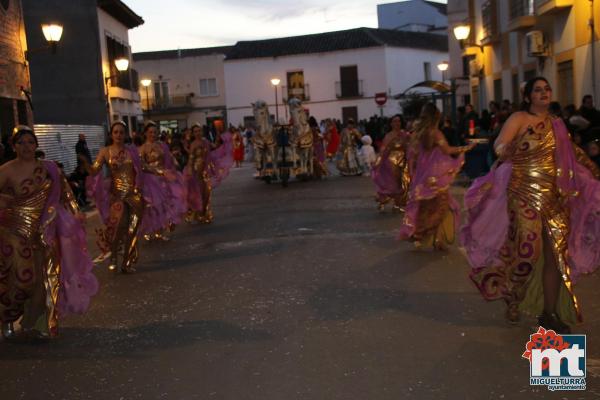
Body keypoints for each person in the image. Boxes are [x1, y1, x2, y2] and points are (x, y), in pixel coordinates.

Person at [461, 77, 600, 333]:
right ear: (528, 96)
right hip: (523, 193)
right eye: (538, 90)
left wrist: (592, 167)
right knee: (527, 253)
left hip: (555, 197)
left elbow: (571, 153)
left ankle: (549, 313)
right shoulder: (519, 119)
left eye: (547, 89)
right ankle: (513, 297)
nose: (544, 93)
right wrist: (506, 149)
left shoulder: (557, 124)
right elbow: (500, 145)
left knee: (556, 257)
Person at [0, 126, 98, 339]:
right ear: (14, 146)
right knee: (18, 278)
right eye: (21, 143)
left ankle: (38, 322)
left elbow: (65, 195)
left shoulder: (49, 169)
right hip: (14, 232)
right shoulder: (6, 170)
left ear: (36, 145)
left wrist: (76, 213)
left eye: (30, 142)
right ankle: (6, 319)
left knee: (42, 278)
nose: (26, 146)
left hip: (44, 229)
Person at [398, 103, 475, 250]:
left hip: (424, 175)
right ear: (436, 116)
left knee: (427, 207)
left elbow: (413, 155)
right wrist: (466, 148)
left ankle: (432, 239)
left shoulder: (420, 133)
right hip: (435, 176)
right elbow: (446, 150)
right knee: (442, 207)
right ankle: (427, 236)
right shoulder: (435, 133)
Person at [83, 121, 145, 273]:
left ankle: (126, 263)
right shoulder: (105, 151)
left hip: (135, 197)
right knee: (118, 228)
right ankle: (114, 257)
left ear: (125, 135)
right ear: (111, 134)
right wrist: (85, 162)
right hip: (117, 197)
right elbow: (94, 171)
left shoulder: (132, 151)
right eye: (115, 132)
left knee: (132, 230)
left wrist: (161, 172)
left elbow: (142, 168)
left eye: (121, 132)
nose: (118, 135)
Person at [138, 121, 187, 241]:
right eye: (150, 132)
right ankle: (150, 230)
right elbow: (141, 165)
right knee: (152, 207)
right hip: (150, 180)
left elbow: (169, 159)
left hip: (164, 178)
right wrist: (154, 172)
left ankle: (161, 230)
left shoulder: (162, 145)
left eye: (155, 132)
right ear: (145, 133)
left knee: (169, 201)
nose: (153, 134)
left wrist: (174, 164)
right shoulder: (142, 148)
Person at [185, 123, 233, 224]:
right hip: (196, 171)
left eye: (199, 131)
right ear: (193, 133)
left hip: (206, 171)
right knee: (200, 194)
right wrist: (189, 171)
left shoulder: (205, 141)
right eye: (195, 131)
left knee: (207, 193)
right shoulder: (194, 144)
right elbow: (190, 159)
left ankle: (204, 213)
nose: (198, 133)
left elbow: (214, 147)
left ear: (202, 131)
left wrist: (218, 137)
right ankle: (199, 215)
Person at [371, 114, 411, 211]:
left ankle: (398, 203)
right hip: (392, 162)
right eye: (394, 121)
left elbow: (409, 147)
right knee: (394, 183)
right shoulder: (389, 135)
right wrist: (377, 160)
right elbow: (383, 149)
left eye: (399, 121)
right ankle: (392, 203)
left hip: (404, 161)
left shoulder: (405, 134)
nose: (397, 123)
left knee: (404, 182)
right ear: (391, 123)